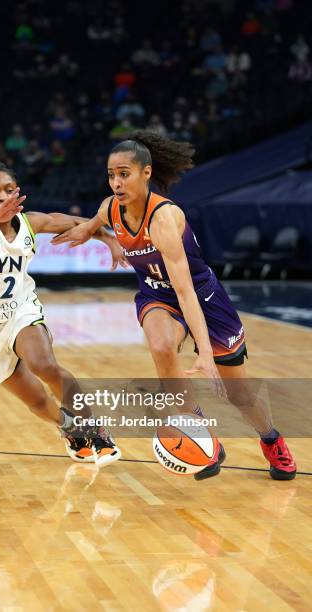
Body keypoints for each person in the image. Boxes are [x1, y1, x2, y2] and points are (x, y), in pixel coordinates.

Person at [52, 131, 297, 481]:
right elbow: (96, 223)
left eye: (124, 173)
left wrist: (205, 356)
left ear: (146, 173)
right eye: (111, 175)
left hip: (202, 298)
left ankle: (272, 440)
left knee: (238, 393)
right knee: (161, 345)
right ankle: (199, 432)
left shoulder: (164, 219)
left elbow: (186, 294)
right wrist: (100, 238)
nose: (116, 182)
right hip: (156, 296)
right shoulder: (110, 207)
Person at [0, 162, 126, 466]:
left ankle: (96, 429)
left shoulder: (31, 223)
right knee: (37, 401)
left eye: (8, 190)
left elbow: (76, 222)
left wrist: (106, 238)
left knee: (43, 364)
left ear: (18, 192)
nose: (2, 197)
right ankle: (70, 429)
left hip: (20, 311)